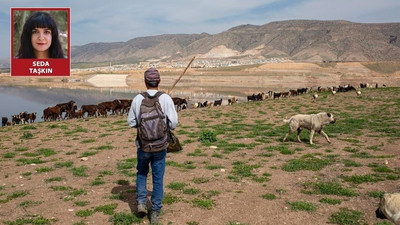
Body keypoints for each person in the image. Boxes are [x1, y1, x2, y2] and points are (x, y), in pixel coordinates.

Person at [127, 67, 178, 224]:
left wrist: (143, 127)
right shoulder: (166, 98)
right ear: (159, 81)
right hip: (160, 146)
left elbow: (131, 122)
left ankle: (142, 203)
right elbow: (174, 123)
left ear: (145, 81)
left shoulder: (137, 99)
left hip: (143, 145)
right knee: (158, 178)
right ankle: (155, 211)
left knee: (142, 173)